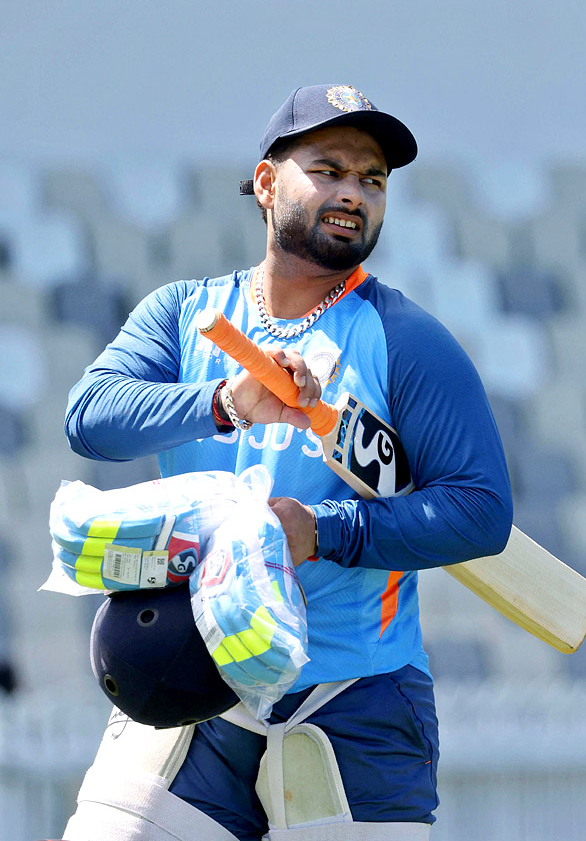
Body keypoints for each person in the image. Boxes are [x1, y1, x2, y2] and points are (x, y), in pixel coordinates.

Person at [61, 84, 513, 840]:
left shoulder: (408, 340)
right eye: (328, 169)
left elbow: (480, 512)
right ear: (266, 184)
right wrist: (224, 402)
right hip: (192, 680)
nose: (352, 194)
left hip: (355, 697)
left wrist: (321, 530)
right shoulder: (183, 313)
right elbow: (90, 417)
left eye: (372, 180)